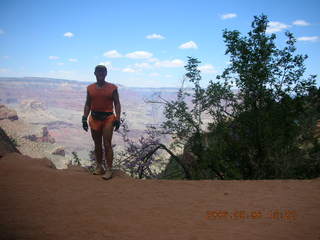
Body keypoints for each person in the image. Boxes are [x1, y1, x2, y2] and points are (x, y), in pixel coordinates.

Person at [82, 65, 121, 180]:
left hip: (108, 118)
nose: (100, 74)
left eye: (102, 72)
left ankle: (109, 169)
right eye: (98, 72)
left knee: (107, 144)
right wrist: (84, 118)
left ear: (106, 73)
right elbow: (88, 103)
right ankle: (99, 167)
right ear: (94, 73)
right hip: (94, 118)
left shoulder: (112, 88)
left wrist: (117, 118)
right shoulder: (90, 88)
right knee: (97, 144)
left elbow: (117, 103)